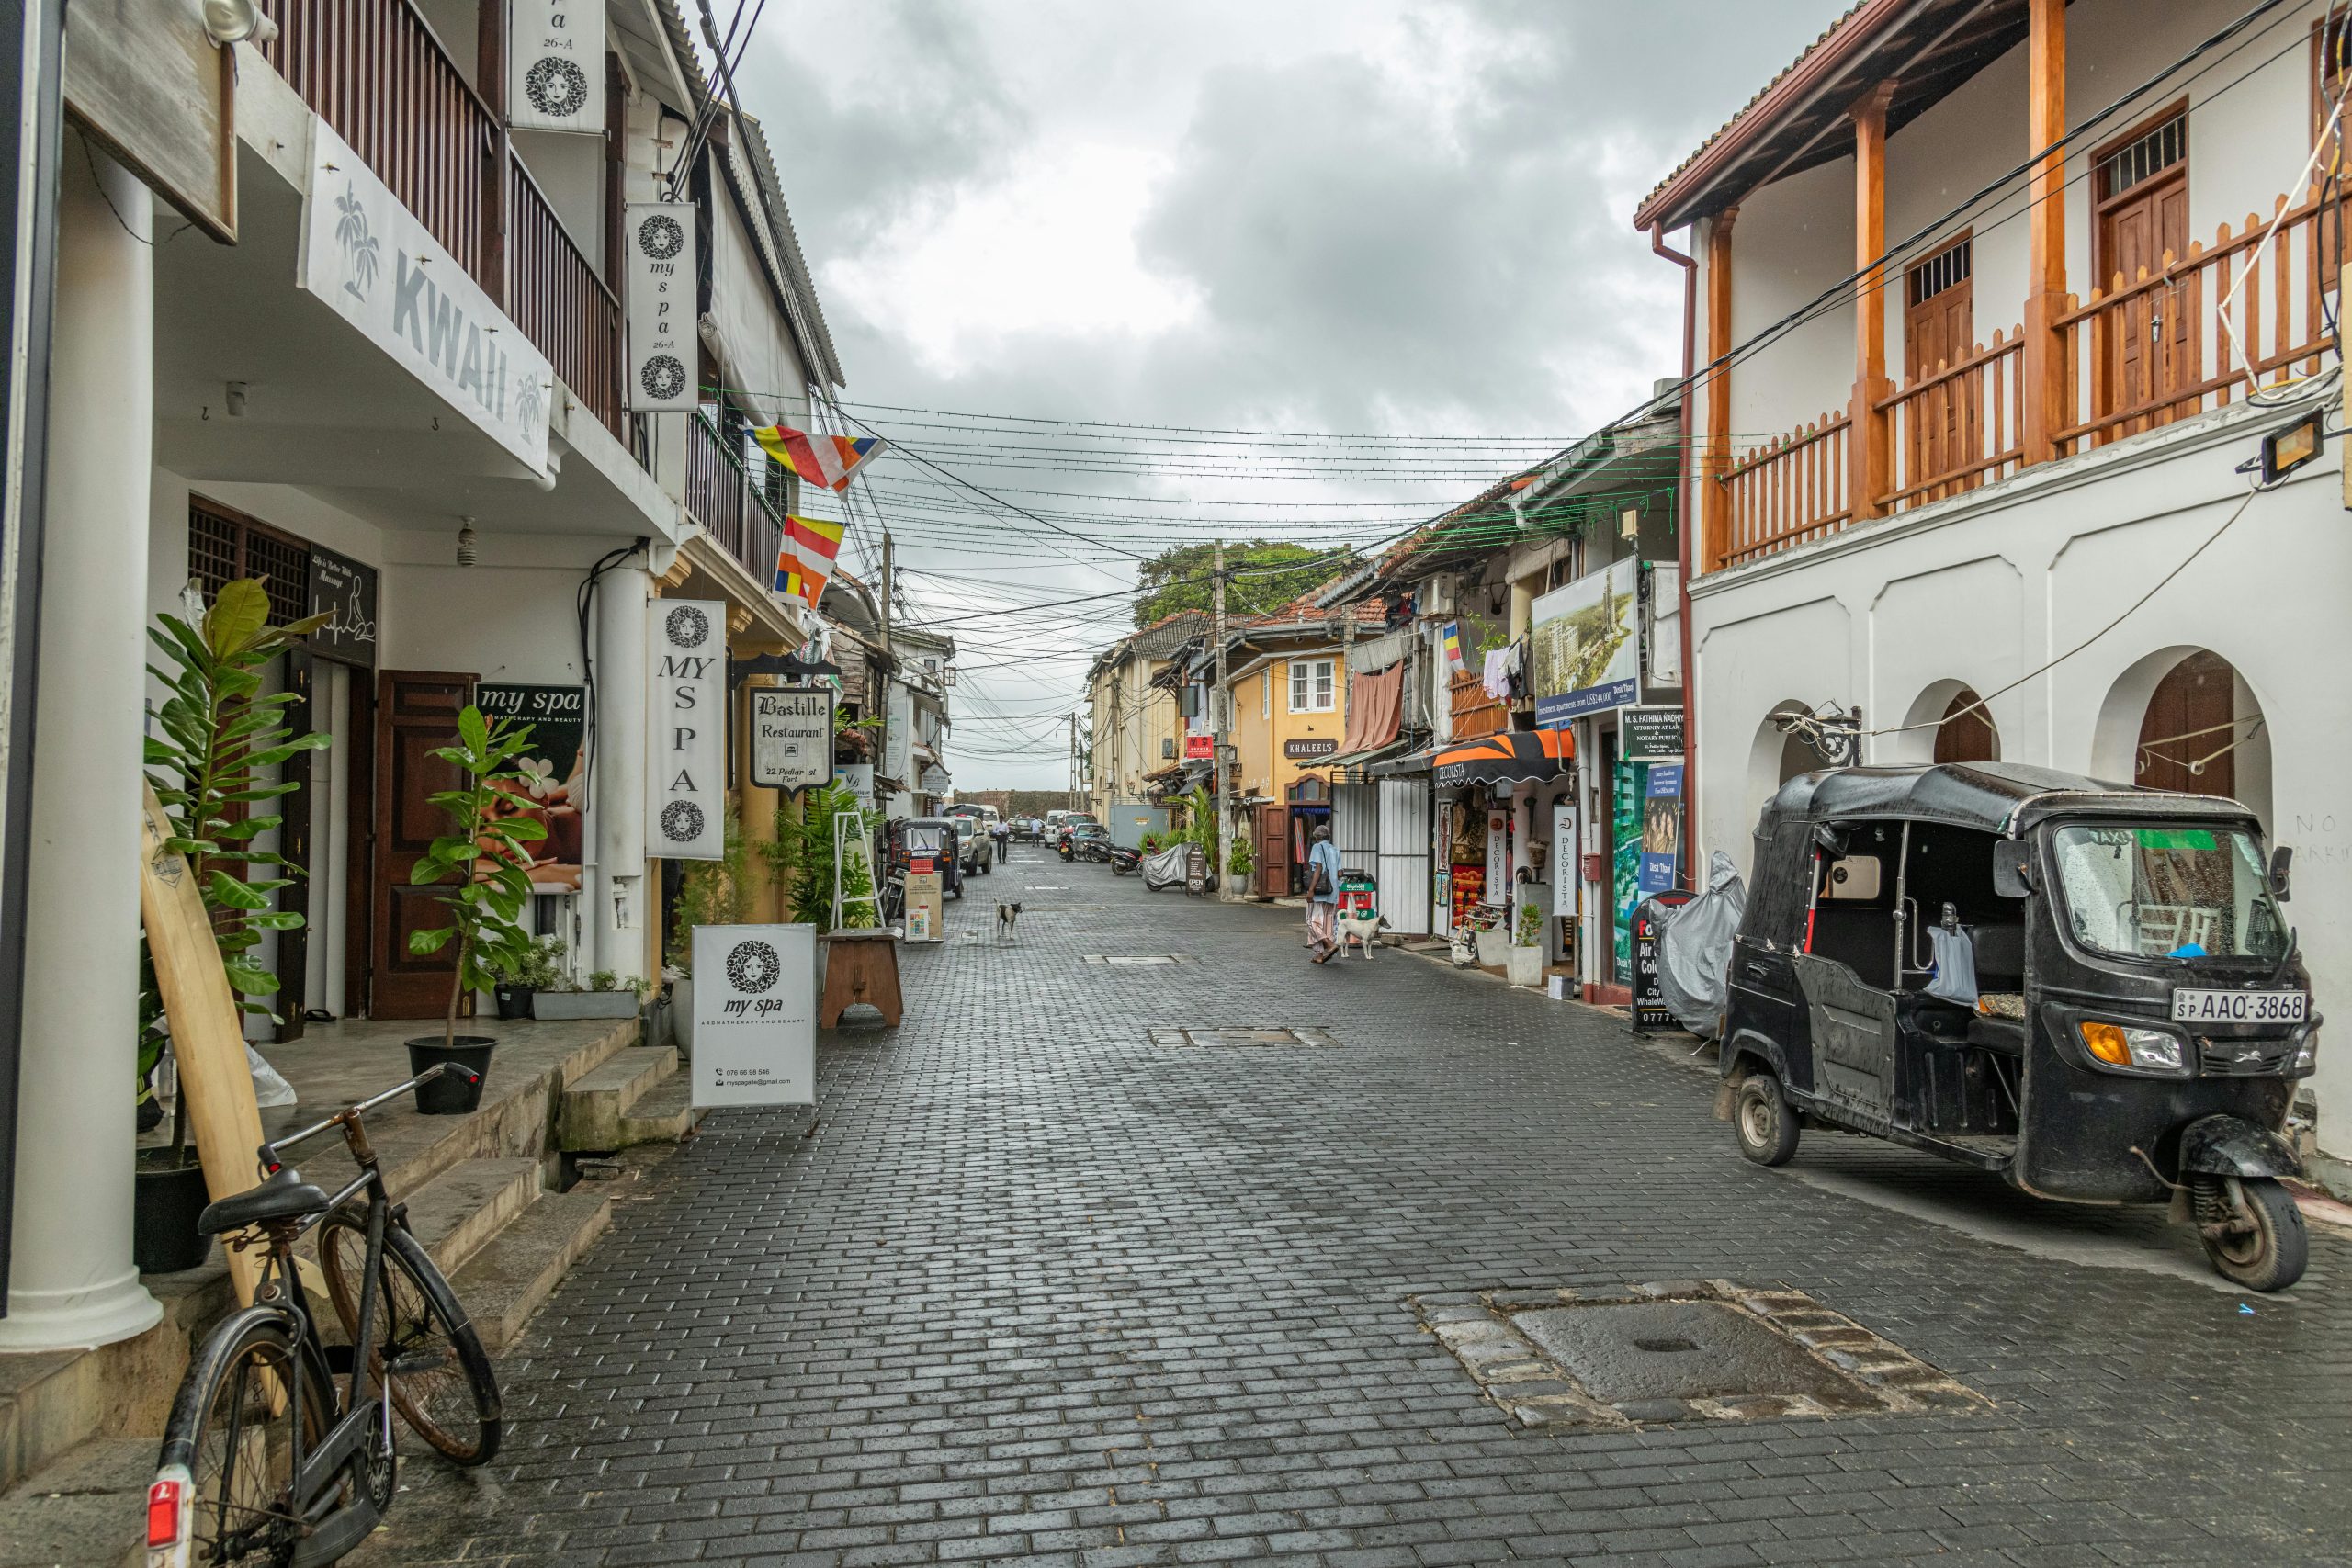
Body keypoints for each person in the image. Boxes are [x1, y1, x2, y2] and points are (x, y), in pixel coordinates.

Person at [1305, 822, 1343, 963]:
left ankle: (1329, 945)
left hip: (1320, 892)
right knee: (1327, 924)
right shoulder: (1335, 850)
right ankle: (1319, 955)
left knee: (1312, 922)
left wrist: (1310, 890)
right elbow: (1340, 873)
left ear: (1317, 837)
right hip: (1333, 892)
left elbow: (1318, 869)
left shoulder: (1317, 847)